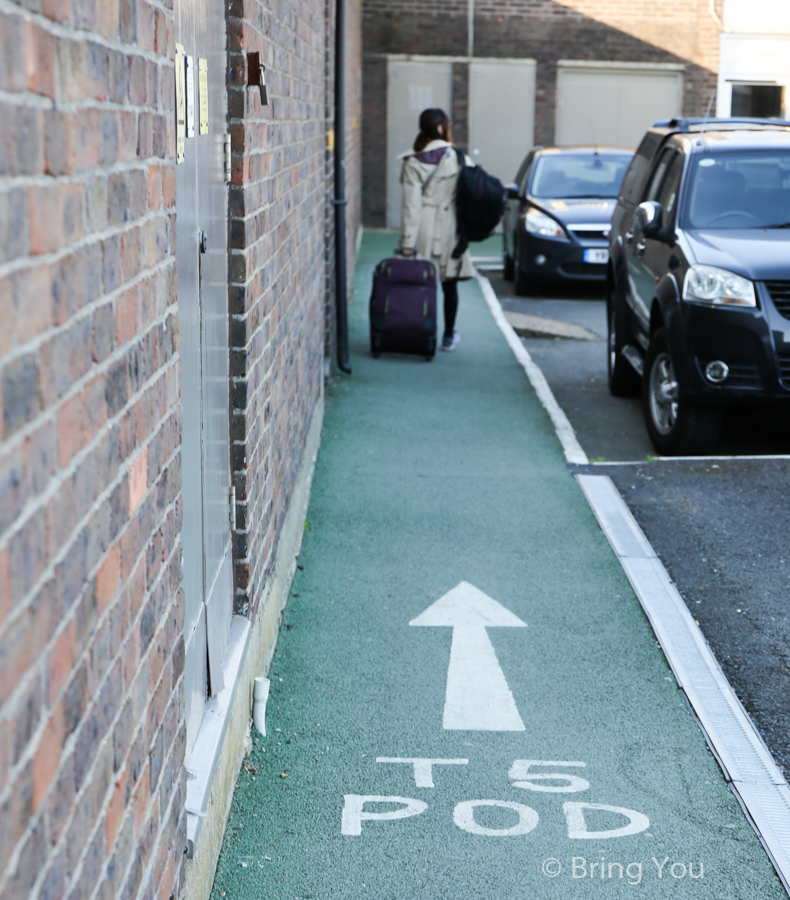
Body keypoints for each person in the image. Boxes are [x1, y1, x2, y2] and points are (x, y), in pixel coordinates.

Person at [399, 108, 474, 351]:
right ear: (442, 128)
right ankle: (448, 334)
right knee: (449, 284)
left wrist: (407, 243)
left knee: (421, 283)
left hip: (423, 226)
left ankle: (421, 331)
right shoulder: (459, 157)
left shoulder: (412, 160)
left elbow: (411, 206)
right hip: (450, 226)